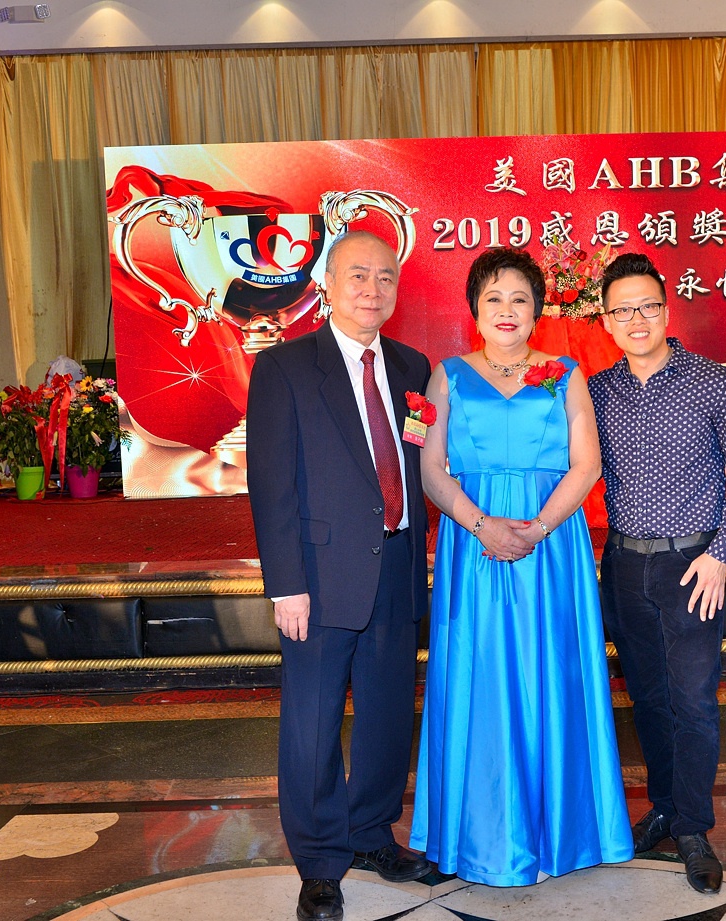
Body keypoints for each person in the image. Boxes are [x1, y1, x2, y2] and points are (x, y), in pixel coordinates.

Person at [410, 248, 633, 886]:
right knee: (479, 676)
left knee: (552, 674)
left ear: (537, 311)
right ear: (474, 310)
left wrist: (535, 529)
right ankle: (479, 836)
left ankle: (563, 832)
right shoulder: (444, 377)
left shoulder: (566, 374)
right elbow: (429, 470)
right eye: (493, 299)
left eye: (519, 300)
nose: (506, 311)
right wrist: (482, 524)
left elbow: (587, 465)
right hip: (473, 543)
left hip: (550, 546)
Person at [247, 231, 433, 921]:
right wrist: (285, 583)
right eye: (358, 275)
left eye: (385, 277)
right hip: (319, 578)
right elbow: (272, 485)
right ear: (327, 283)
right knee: (314, 723)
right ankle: (321, 861)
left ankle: (371, 832)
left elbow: (416, 462)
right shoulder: (286, 368)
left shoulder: (412, 366)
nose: (372, 289)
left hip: (397, 568)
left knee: (387, 715)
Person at [589, 252, 726, 895]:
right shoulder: (596, 391)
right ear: (605, 320)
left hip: (693, 566)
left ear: (667, 311)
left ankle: (692, 827)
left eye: (648, 307)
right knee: (649, 699)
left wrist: (721, 555)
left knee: (693, 702)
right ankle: (663, 808)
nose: (636, 320)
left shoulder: (714, 382)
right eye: (623, 310)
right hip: (624, 566)